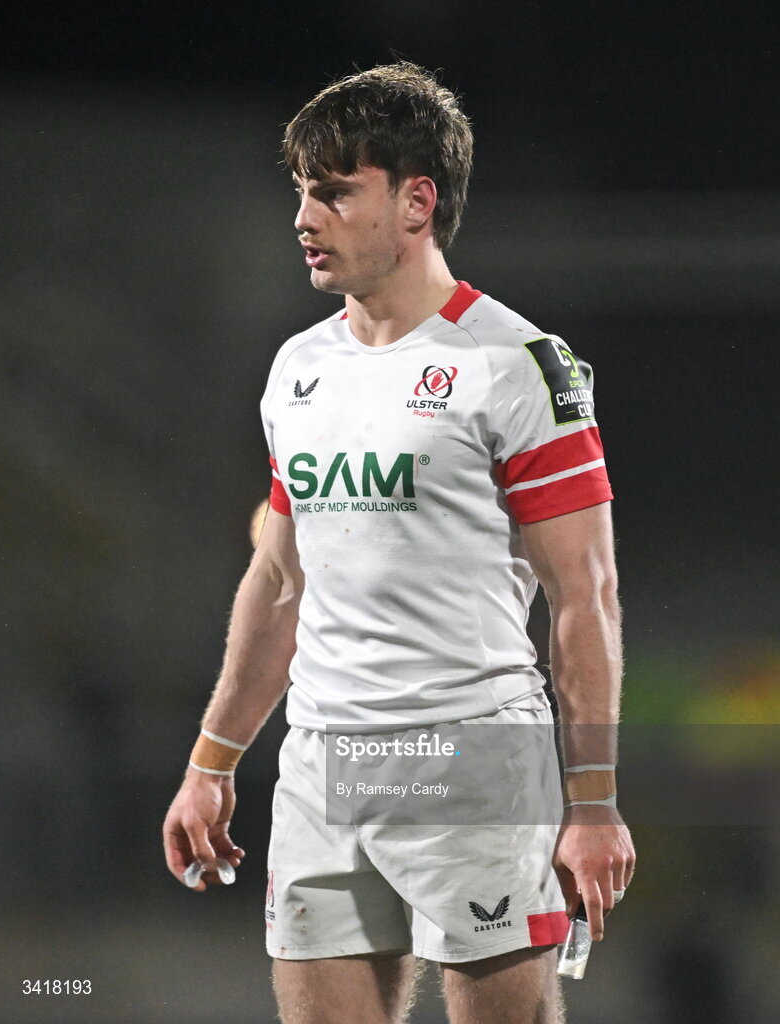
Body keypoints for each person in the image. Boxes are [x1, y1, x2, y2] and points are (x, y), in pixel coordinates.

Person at [163, 62, 636, 1024]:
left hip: (472, 756)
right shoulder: (298, 369)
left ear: (417, 202)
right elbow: (279, 580)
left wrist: (592, 803)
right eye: (302, 191)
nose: (305, 218)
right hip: (321, 765)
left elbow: (585, 595)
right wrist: (211, 763)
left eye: (336, 192)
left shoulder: (514, 365)